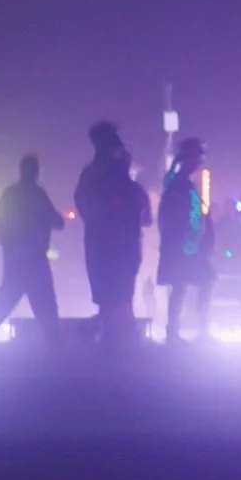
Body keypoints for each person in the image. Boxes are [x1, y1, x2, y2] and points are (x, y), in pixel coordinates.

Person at [0, 154, 68, 346]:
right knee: (45, 303)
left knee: (5, 299)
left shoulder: (10, 193)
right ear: (36, 172)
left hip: (14, 258)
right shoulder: (38, 194)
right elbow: (57, 222)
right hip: (35, 259)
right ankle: (55, 345)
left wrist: (7, 242)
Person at [75, 123, 151, 346]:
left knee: (108, 296)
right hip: (125, 247)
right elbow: (146, 217)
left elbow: (84, 207)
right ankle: (123, 338)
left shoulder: (90, 176)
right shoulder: (128, 186)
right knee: (123, 294)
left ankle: (112, 337)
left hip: (100, 247)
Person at [155, 136, 216, 344]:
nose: (199, 163)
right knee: (186, 284)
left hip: (187, 246)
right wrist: (190, 241)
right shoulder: (179, 186)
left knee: (186, 285)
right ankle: (182, 331)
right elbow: (179, 218)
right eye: (198, 158)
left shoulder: (180, 184)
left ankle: (180, 331)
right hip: (184, 247)